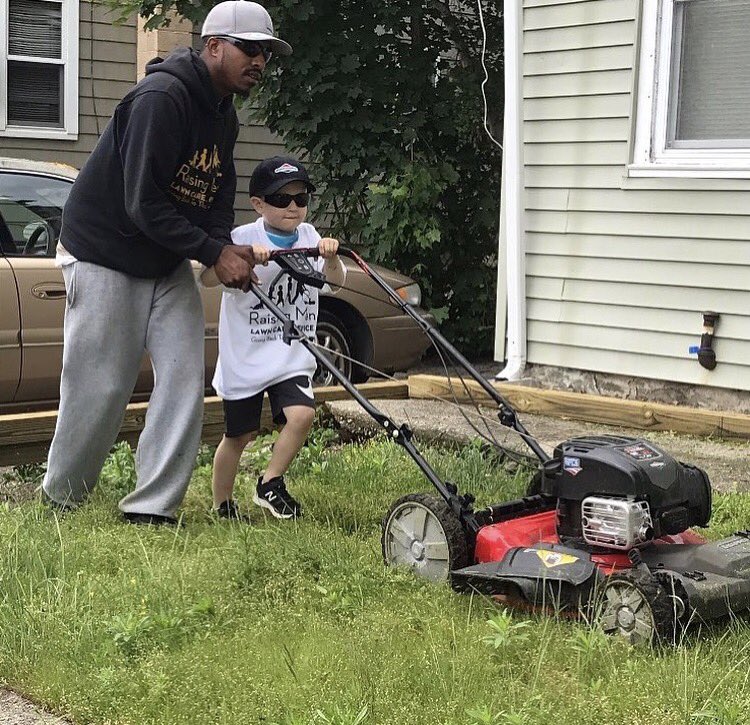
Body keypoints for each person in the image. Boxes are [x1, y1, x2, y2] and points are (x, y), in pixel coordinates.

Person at [41, 1, 293, 526]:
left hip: (164, 258)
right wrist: (212, 252)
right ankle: (61, 501)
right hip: (104, 251)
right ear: (214, 45)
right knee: (102, 384)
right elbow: (143, 202)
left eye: (266, 53)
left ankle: (151, 508)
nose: (260, 62)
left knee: (183, 376)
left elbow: (219, 192)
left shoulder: (224, 114)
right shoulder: (162, 98)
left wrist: (223, 248)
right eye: (250, 49)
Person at [201, 156, 345, 521]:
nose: (293, 207)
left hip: (291, 352)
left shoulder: (311, 237)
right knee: (239, 436)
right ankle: (222, 504)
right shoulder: (241, 239)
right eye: (282, 200)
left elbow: (335, 282)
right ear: (258, 205)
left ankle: (270, 482)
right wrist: (245, 260)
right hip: (246, 358)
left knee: (302, 415)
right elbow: (205, 278)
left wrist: (329, 257)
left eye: (301, 198)